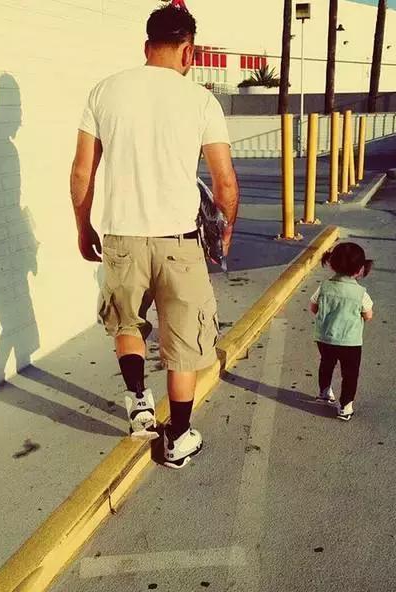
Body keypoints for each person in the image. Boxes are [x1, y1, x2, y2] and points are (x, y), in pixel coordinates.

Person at [69, 2, 239, 469]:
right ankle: (178, 438)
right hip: (179, 242)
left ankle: (139, 404)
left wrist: (83, 227)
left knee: (127, 323)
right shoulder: (201, 100)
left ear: (147, 46)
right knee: (184, 343)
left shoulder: (104, 92)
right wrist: (223, 235)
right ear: (189, 51)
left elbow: (82, 172)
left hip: (121, 237)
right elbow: (225, 183)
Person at [309, 243, 374, 421]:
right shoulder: (360, 293)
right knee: (349, 373)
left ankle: (324, 393)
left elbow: (313, 307)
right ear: (360, 270)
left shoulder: (324, 287)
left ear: (331, 264)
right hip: (350, 341)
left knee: (326, 364)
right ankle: (345, 406)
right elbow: (368, 315)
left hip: (325, 337)